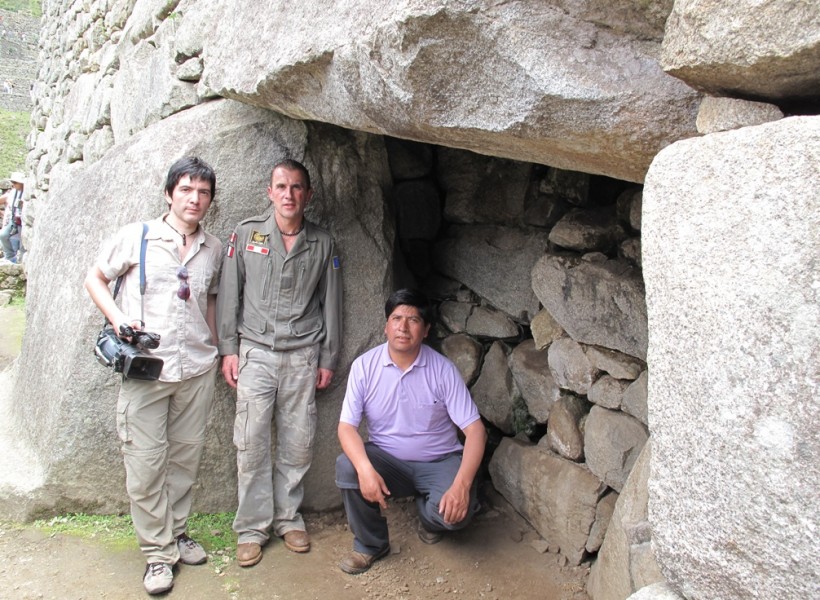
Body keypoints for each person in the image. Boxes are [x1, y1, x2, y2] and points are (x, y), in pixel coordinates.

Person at [84, 157, 222, 595]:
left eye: (202, 192)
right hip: (147, 371)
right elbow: (96, 279)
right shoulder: (138, 236)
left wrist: (218, 349)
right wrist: (120, 319)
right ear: (169, 193)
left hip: (196, 368)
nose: (194, 199)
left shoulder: (214, 248)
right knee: (144, 466)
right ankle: (157, 555)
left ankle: (177, 534)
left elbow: (211, 303)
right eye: (186, 189)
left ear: (210, 201)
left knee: (185, 459)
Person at [217, 158, 342, 567]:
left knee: (298, 440)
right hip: (254, 352)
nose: (288, 195)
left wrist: (328, 356)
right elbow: (230, 294)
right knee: (250, 441)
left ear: (308, 194)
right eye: (281, 187)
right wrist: (229, 349)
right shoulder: (246, 234)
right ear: (268, 192)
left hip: (303, 356)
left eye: (297, 187)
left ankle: (289, 518)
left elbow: (332, 306)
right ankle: (252, 527)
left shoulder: (323, 243)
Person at [335, 288, 487, 574]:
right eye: (396, 318)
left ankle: (429, 515)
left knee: (455, 516)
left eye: (413, 320)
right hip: (388, 462)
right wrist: (366, 470)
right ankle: (371, 545)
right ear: (386, 325)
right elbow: (346, 427)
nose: (403, 327)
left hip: (439, 461)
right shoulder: (364, 367)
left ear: (426, 329)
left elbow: (476, 431)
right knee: (348, 466)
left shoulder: (442, 370)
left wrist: (461, 486)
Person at [0, 172, 25, 264]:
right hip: (14, 220)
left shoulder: (26, 193)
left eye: (15, 183)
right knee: (3, 235)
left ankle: (22, 261)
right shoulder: (12, 193)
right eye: (12, 182)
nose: (13, 185)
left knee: (23, 243)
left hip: (23, 221)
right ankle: (10, 257)